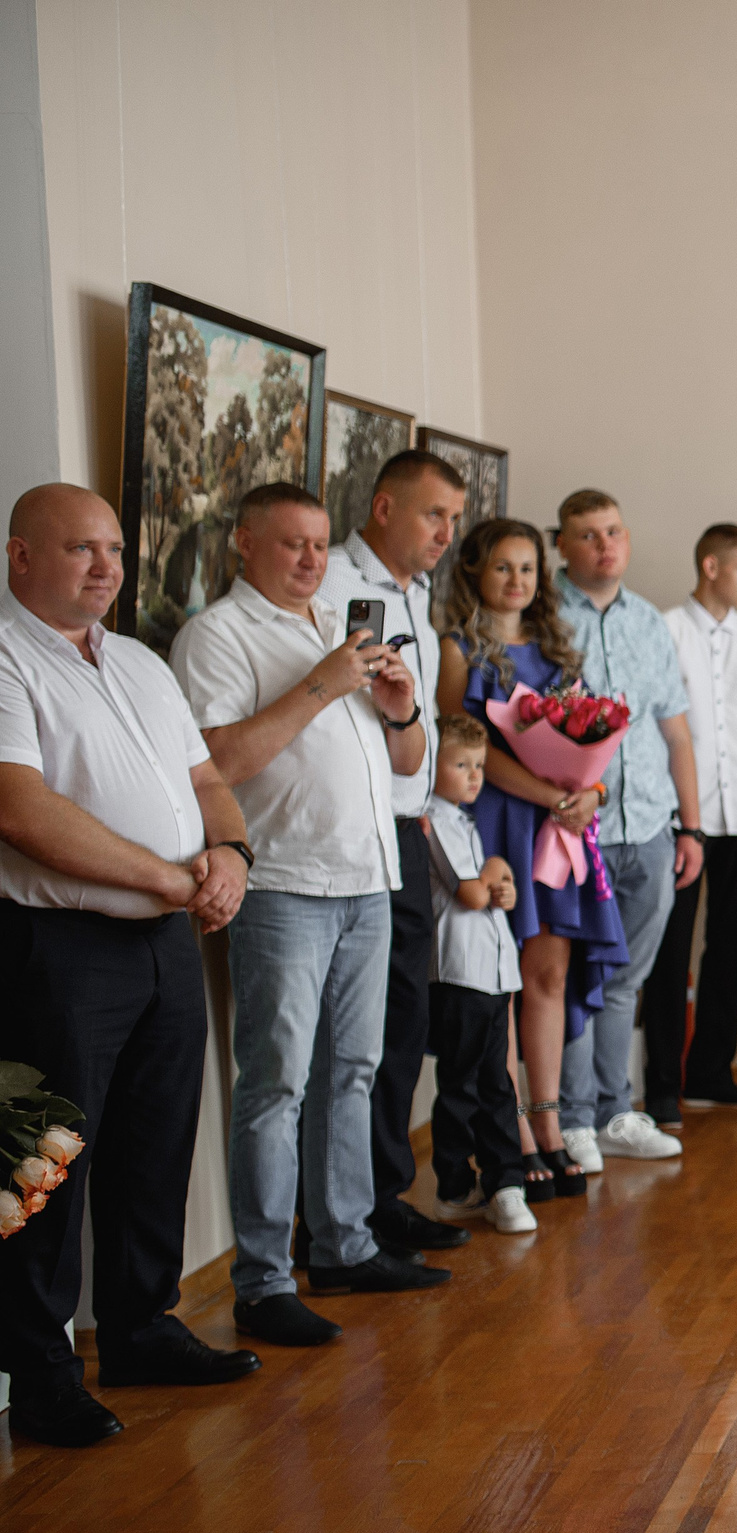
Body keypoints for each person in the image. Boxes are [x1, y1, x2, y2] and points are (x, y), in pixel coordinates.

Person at [0, 484, 260, 1447]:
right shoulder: (5, 657)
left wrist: (230, 854)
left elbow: (205, 781)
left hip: (165, 939)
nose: (106, 567)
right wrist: (166, 875)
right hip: (60, 947)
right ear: (22, 557)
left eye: (112, 548)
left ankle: (142, 1328)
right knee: (50, 1164)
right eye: (80, 549)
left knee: (157, 1142)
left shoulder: (142, 660)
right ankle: (40, 1374)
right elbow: (20, 809)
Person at [170, 483, 450, 1348]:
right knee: (276, 1083)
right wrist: (323, 687)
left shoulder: (338, 623)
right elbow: (216, 759)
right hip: (286, 884)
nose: (311, 560)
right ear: (243, 544)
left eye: (321, 544)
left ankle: (344, 1244)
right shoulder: (217, 634)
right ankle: (260, 1278)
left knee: (354, 1071)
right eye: (292, 544)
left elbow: (407, 760)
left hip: (368, 876)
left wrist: (399, 703)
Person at [312, 448, 473, 1260]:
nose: (446, 532)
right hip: (352, 838)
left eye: (453, 517)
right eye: (432, 514)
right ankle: (345, 1214)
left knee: (402, 1024)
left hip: (410, 828)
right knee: (353, 1040)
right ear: (383, 508)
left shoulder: (417, 597)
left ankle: (380, 1195)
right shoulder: (336, 589)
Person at [435, 518, 628, 1198]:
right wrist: (550, 792)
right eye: (502, 568)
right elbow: (467, 751)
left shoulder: (558, 650)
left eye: (527, 568)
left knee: (548, 971)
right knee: (503, 981)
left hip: (558, 829)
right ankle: (511, 1131)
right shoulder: (457, 650)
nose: (517, 581)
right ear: (474, 574)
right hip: (497, 822)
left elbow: (599, 742)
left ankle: (550, 1124)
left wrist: (591, 792)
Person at [550, 489, 702, 1148]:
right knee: (575, 979)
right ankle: (574, 1118)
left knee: (624, 981)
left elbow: (676, 732)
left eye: (613, 531)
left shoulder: (648, 621)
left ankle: (615, 1112)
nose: (604, 545)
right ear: (561, 545)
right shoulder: (543, 618)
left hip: (648, 831)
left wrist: (689, 828)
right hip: (572, 833)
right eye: (587, 534)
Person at [654, 524, 737, 1111]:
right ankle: (662, 1089)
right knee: (670, 946)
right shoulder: (664, 630)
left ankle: (712, 1072)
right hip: (681, 817)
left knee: (730, 944)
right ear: (711, 567)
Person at [421, 715, 537, 1235]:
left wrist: (502, 886)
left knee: (498, 1081)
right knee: (462, 1083)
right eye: (461, 764)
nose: (474, 776)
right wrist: (495, 870)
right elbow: (470, 893)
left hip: (494, 974)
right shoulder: (431, 819)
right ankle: (452, 1185)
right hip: (460, 974)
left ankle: (505, 1181)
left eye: (480, 767)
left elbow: (488, 892)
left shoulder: (464, 820)